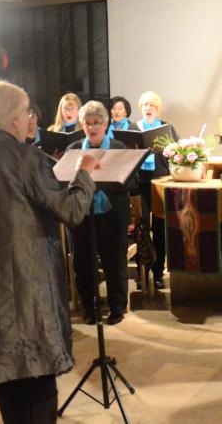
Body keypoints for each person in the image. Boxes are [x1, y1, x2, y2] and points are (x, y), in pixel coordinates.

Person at [0, 80, 99, 424]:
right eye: (25, 112)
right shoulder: (25, 157)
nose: (29, 119)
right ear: (11, 119)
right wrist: (84, 175)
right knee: (36, 375)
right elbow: (71, 211)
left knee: (8, 376)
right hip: (26, 284)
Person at [68, 100, 138, 325]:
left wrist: (107, 179)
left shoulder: (118, 148)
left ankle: (117, 307)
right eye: (87, 123)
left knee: (114, 261)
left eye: (97, 122)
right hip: (83, 214)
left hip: (111, 213)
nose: (92, 127)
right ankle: (91, 308)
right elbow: (65, 181)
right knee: (83, 263)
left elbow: (132, 181)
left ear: (106, 124)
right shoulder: (74, 150)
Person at [134, 91, 178, 290]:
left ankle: (159, 272)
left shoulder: (166, 128)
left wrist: (170, 150)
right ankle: (142, 273)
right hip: (140, 183)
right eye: (145, 105)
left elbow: (177, 155)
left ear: (158, 109)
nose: (148, 108)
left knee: (160, 229)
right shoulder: (135, 128)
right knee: (141, 228)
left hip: (160, 181)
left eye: (152, 105)